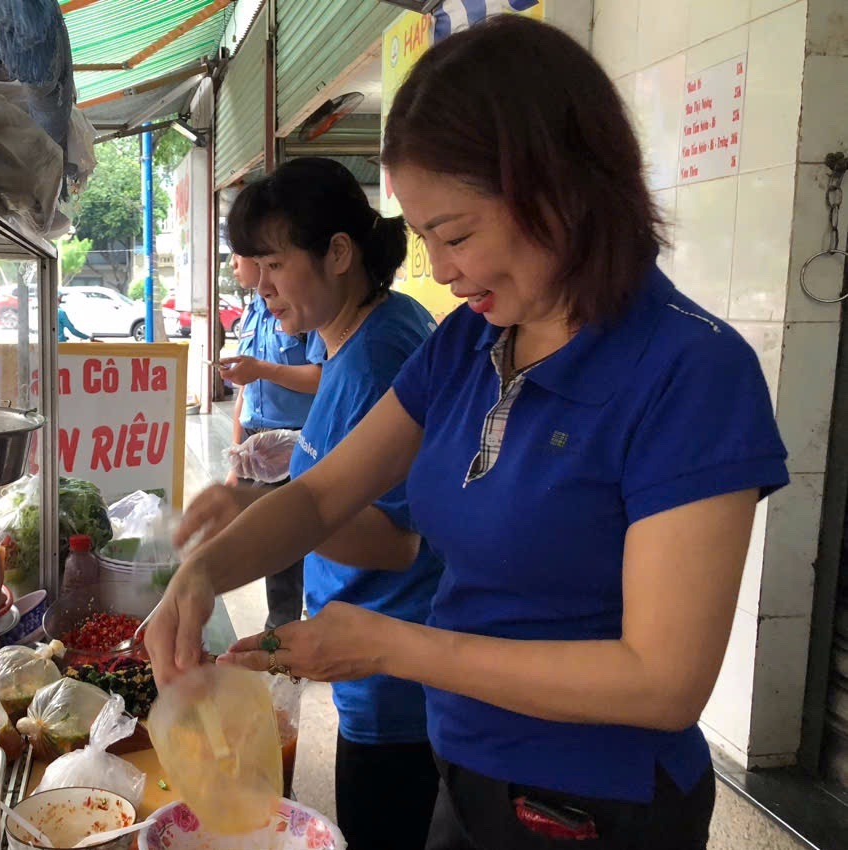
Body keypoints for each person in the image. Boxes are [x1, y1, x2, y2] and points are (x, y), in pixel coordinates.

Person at [147, 16, 789, 850]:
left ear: (562, 188)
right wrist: (200, 573)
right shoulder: (467, 345)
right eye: (424, 240)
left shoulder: (691, 371)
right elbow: (318, 495)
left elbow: (661, 682)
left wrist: (390, 645)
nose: (443, 270)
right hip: (469, 773)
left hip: (596, 808)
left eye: (455, 235)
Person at [175, 156, 444, 850]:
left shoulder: (384, 355)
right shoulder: (355, 340)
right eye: (251, 269)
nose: (259, 288)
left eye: (272, 266)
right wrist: (288, 464)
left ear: (339, 254)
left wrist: (265, 503)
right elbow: (336, 476)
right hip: (367, 658)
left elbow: (394, 540)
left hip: (394, 674)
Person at [221, 251, 324, 631]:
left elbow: (322, 376)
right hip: (254, 441)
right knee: (260, 540)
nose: (233, 264)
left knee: (286, 542)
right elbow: (244, 393)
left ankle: (282, 632)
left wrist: (263, 369)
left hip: (295, 443)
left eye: (240, 256)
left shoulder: (302, 312)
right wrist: (237, 457)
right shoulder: (250, 312)